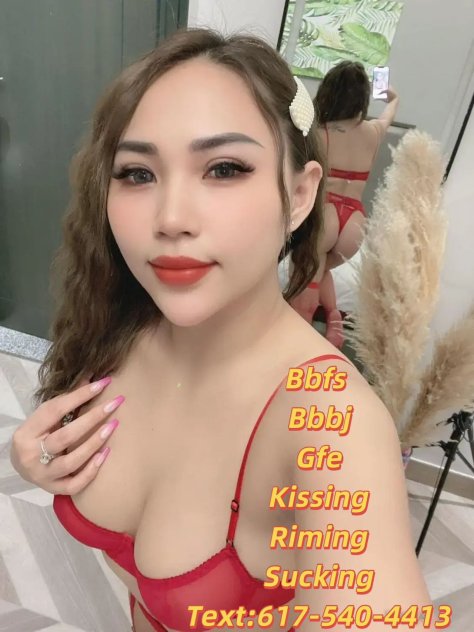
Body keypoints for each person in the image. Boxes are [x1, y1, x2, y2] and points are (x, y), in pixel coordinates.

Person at [10, 29, 431, 632]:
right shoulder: (121, 322)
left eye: (224, 168)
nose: (171, 218)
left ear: (299, 195)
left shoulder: (331, 423)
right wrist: (36, 459)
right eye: (137, 174)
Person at [290, 61, 400, 347]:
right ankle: (334, 321)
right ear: (362, 99)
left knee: (305, 289)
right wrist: (390, 96)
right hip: (354, 225)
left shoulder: (318, 132)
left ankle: (300, 350)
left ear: (329, 91)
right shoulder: (374, 131)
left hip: (325, 215)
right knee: (321, 269)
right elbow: (391, 108)